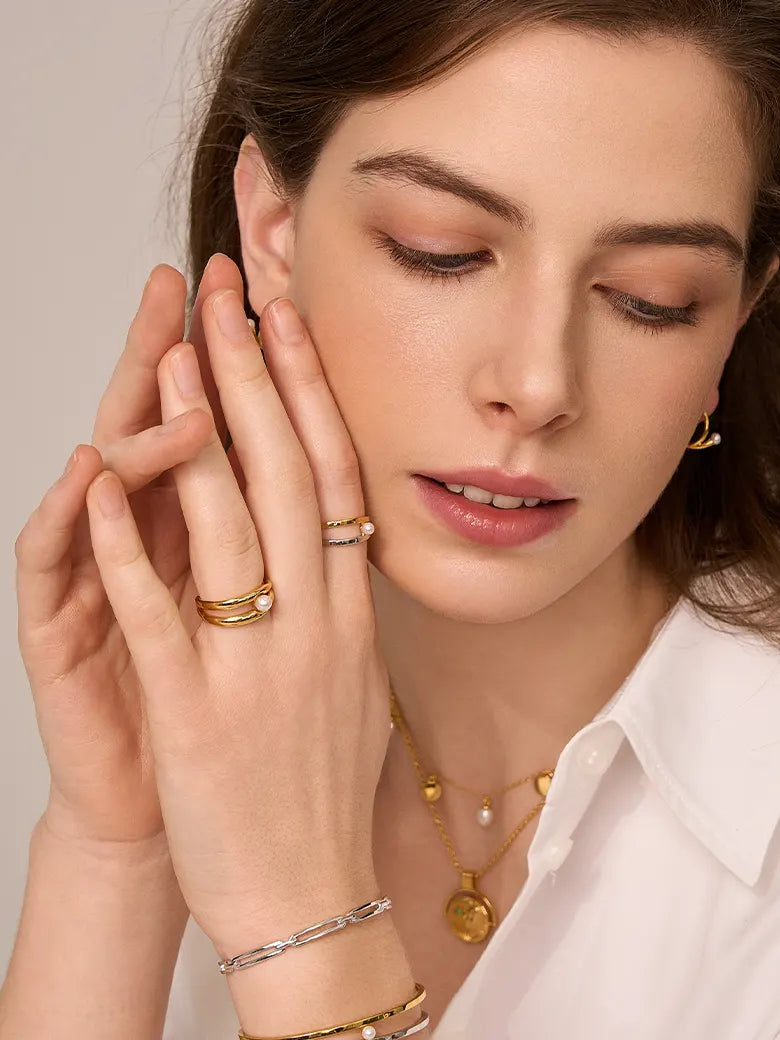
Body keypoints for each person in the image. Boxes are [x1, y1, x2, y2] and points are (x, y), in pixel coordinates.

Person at [3, 1, 780, 1038]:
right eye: (441, 250)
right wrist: (117, 848)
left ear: (734, 318)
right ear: (274, 233)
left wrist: (309, 927)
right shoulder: (214, 724)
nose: (538, 382)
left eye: (649, 297)